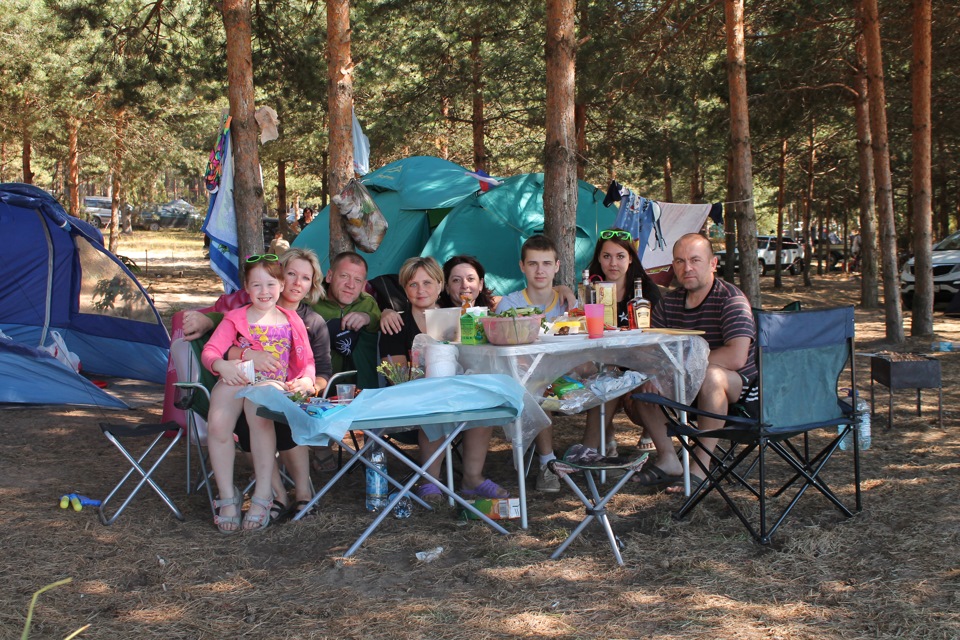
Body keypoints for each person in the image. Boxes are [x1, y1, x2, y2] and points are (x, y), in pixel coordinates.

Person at [181, 248, 333, 521]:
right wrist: (221, 365)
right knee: (218, 424)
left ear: (281, 286)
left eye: (271, 284)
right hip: (236, 376)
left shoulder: (292, 320)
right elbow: (211, 351)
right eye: (257, 285)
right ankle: (227, 495)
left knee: (258, 413)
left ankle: (263, 495)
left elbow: (308, 361)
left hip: (270, 384)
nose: (265, 291)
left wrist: (308, 380)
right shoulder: (235, 317)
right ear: (247, 289)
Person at [624, 233, 757, 493]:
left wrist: (681, 369)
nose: (688, 268)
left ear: (713, 263)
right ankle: (669, 459)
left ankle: (701, 464)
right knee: (644, 382)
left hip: (739, 389)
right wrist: (654, 372)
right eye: (680, 261)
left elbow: (736, 357)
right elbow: (654, 354)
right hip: (687, 383)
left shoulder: (731, 299)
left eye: (695, 260)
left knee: (711, 376)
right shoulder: (669, 304)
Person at [378, 256, 511, 501]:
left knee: (484, 402)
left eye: (427, 283)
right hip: (414, 397)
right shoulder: (397, 324)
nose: (421, 291)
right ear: (404, 288)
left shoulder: (458, 318)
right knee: (436, 403)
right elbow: (397, 376)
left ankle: (472, 478)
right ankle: (430, 480)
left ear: (440, 285)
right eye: (413, 284)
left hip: (458, 392)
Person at [581, 229, 663, 456]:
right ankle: (602, 436)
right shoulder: (591, 291)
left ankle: (648, 430)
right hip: (605, 362)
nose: (613, 263)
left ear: (630, 259)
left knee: (634, 382)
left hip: (641, 364)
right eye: (606, 256)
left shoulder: (646, 291)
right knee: (601, 378)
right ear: (598, 258)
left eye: (620, 256)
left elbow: (657, 338)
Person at [495, 235, 567, 492]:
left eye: (546, 263)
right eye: (533, 264)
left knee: (605, 378)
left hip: (567, 372)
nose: (540, 270)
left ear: (557, 266)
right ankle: (547, 464)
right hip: (528, 377)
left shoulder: (568, 302)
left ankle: (593, 450)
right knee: (538, 386)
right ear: (522, 266)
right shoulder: (510, 304)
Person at [312, 252, 382, 376]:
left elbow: (379, 322)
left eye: (357, 280)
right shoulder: (310, 301)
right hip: (316, 384)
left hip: (358, 388)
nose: (350, 285)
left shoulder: (368, 303)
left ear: (363, 285)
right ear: (329, 276)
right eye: (344, 276)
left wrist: (367, 317)